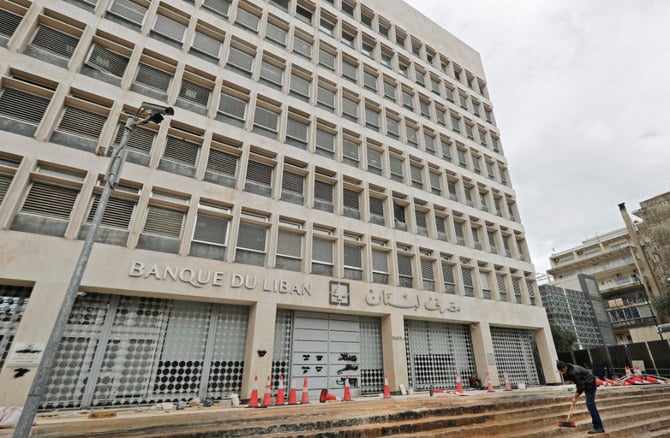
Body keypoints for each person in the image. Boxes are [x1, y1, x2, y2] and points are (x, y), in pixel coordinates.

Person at [557, 360, 605, 434]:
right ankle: (596, 423)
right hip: (588, 383)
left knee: (590, 405)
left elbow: (581, 386)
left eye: (562, 371)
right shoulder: (569, 367)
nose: (562, 373)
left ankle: (598, 427)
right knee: (590, 405)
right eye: (561, 372)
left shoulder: (573, 372)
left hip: (590, 385)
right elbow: (579, 382)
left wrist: (575, 397)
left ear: (564, 368)